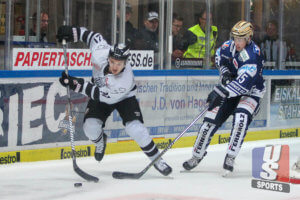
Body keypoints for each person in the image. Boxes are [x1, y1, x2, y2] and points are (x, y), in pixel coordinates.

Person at [56, 25, 172, 176]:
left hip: (124, 98)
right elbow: (91, 36)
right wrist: (72, 33)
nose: (115, 66)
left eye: (119, 63)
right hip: (100, 92)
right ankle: (100, 142)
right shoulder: (100, 52)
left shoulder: (124, 80)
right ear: (108, 57)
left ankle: (158, 160)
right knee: (90, 128)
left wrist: (74, 83)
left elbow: (99, 94)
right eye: (112, 62)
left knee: (135, 128)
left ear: (125, 62)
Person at [182, 21, 265, 176]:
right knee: (209, 122)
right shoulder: (229, 46)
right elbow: (219, 56)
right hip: (229, 89)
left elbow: (242, 84)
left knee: (240, 119)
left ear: (248, 38)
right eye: (235, 38)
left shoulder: (253, 55)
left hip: (250, 92)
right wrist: (225, 72)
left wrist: (220, 92)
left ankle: (231, 156)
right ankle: (196, 156)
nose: (237, 42)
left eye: (240, 39)